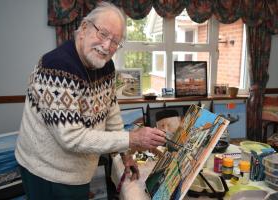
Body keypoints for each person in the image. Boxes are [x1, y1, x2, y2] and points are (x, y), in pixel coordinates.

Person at [15, 2, 166, 200]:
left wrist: (125, 153)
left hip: (77, 173)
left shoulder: (106, 65)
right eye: (103, 34)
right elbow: (72, 138)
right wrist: (133, 139)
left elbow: (110, 111)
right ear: (84, 28)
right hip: (47, 173)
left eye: (115, 42)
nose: (107, 46)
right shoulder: (57, 66)